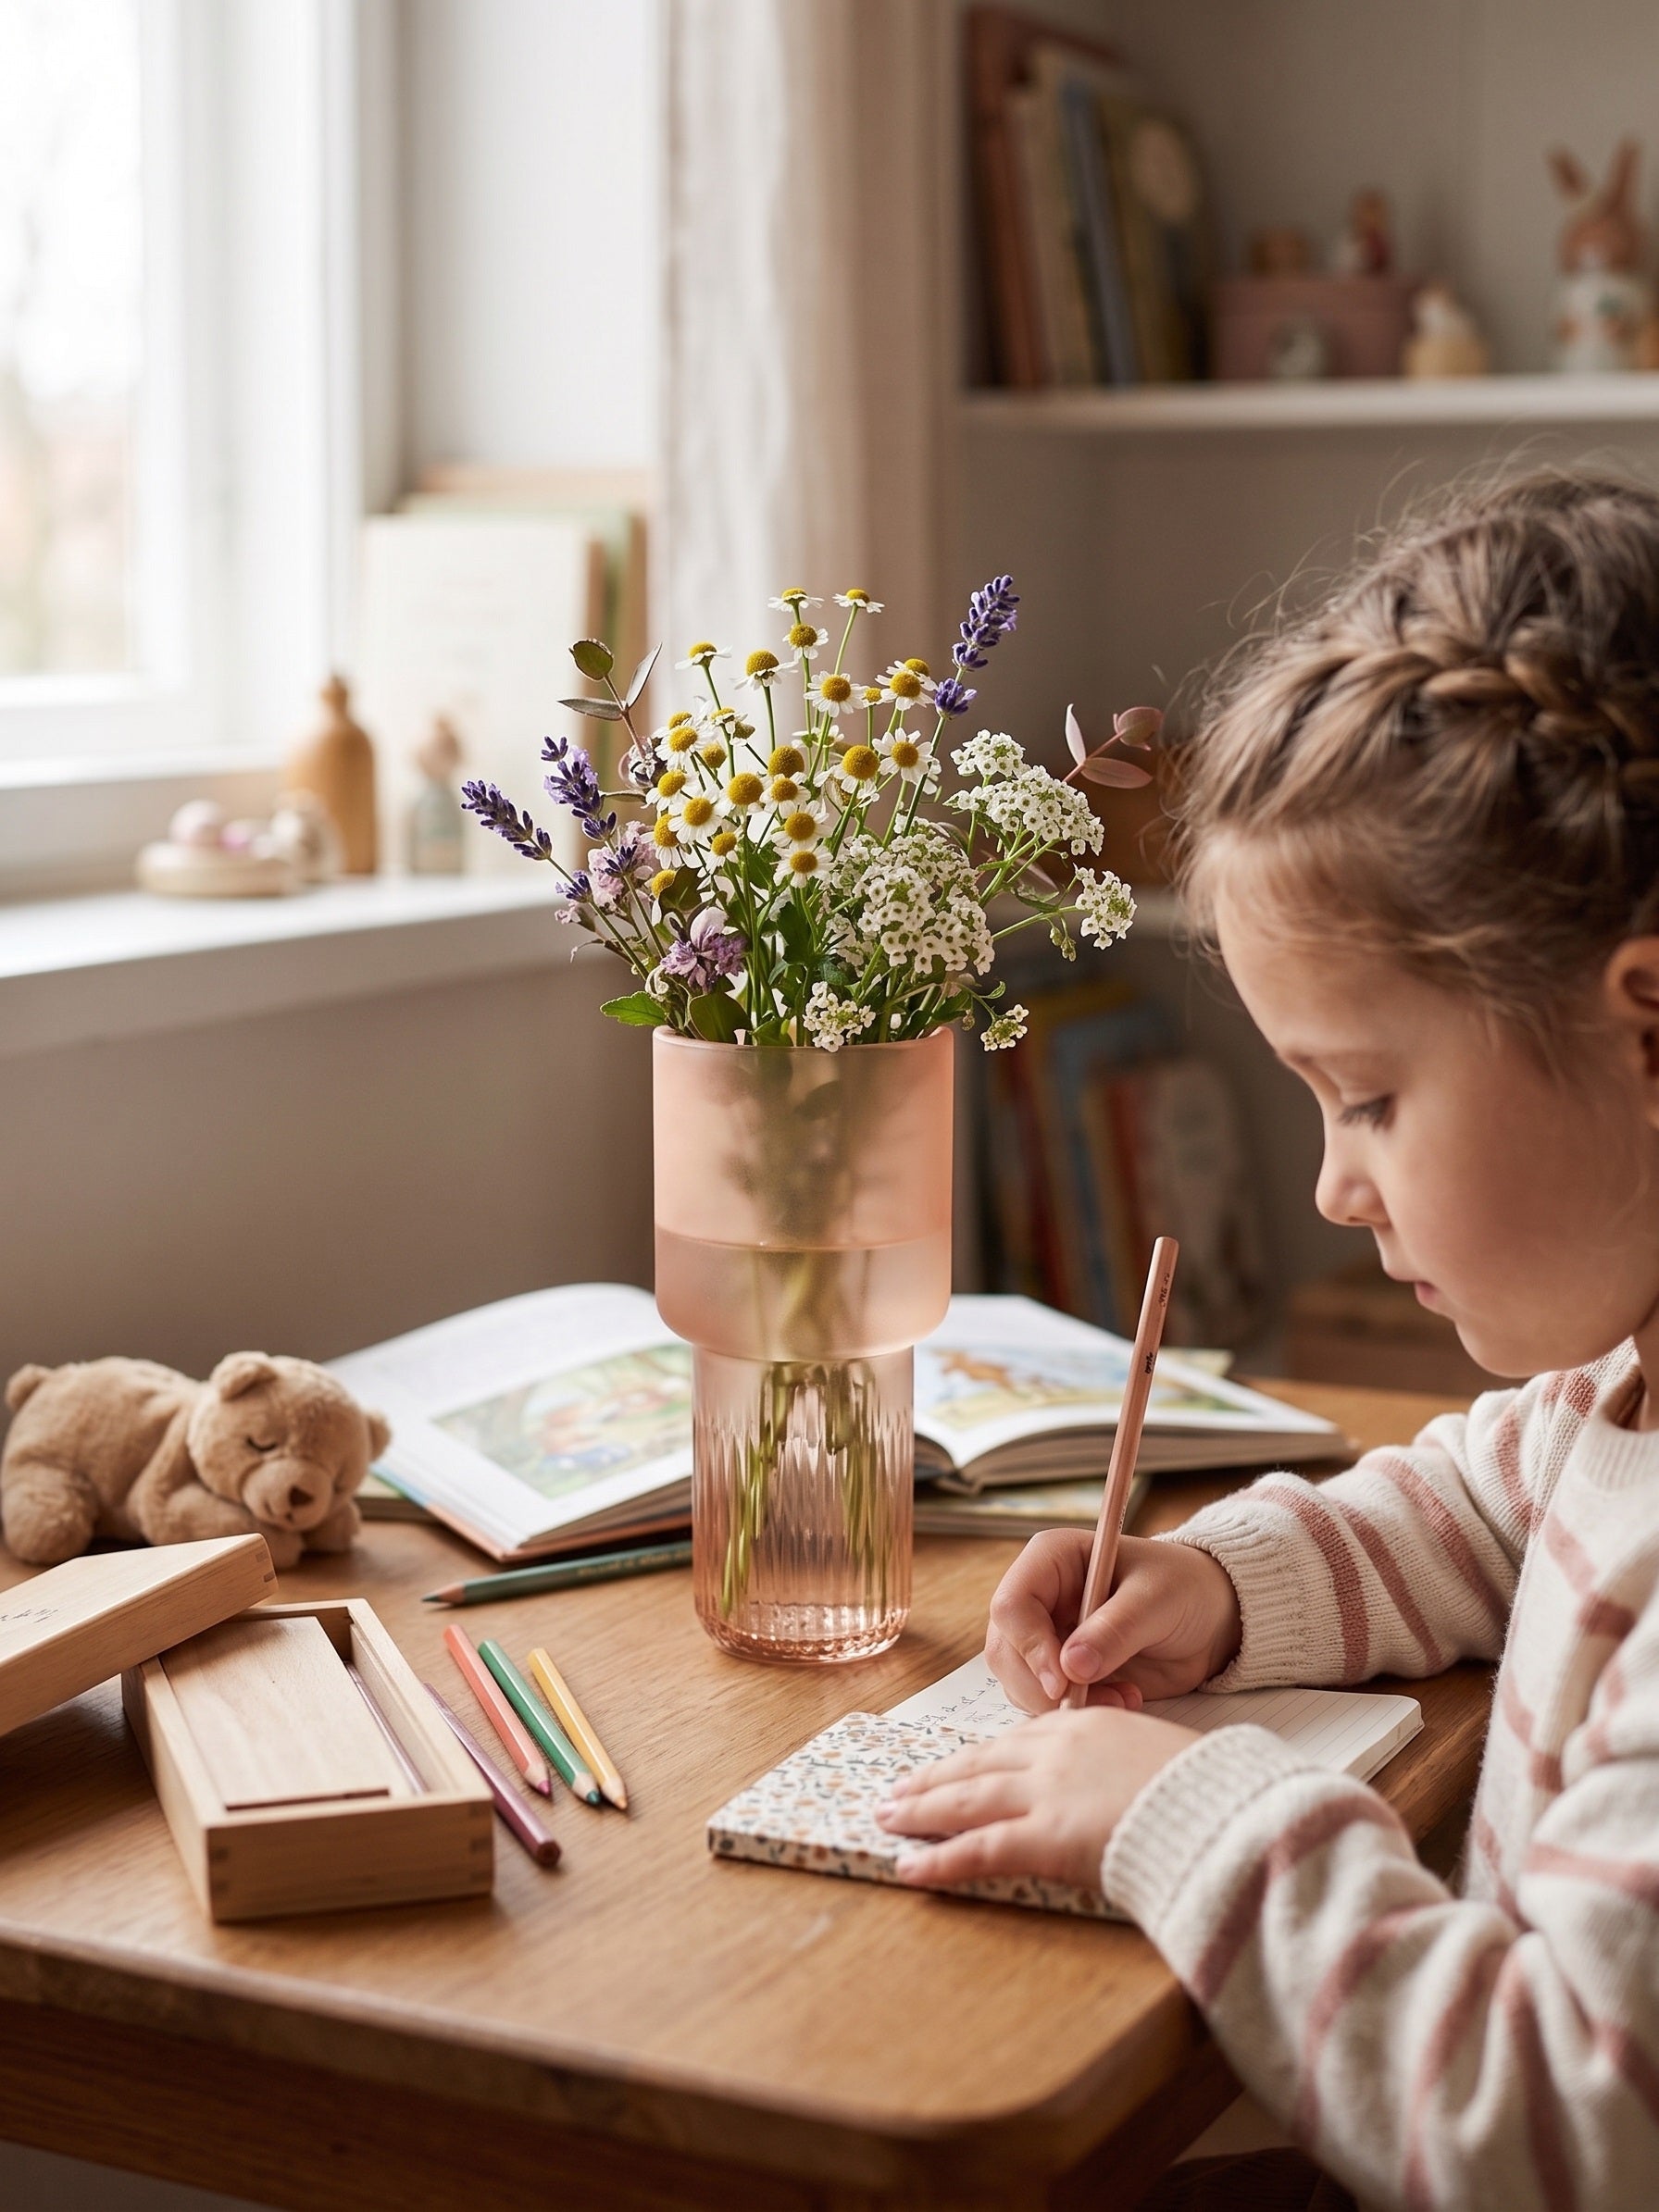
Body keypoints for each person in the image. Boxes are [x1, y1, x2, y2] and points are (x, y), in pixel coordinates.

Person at [877, 472, 1659, 2211]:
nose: (1331, 1189)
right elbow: (1479, 1504)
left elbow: (1545, 2121)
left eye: (1370, 1099)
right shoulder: (1623, 1385)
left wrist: (1190, 1813)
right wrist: (1222, 1581)